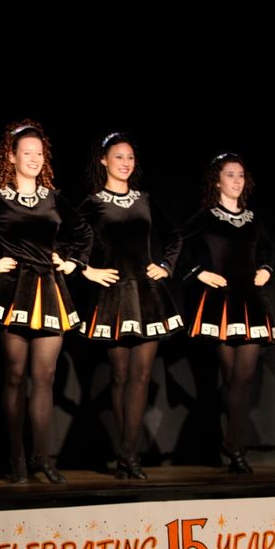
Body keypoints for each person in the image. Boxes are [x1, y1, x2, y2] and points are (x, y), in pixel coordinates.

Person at [0, 120, 92, 483]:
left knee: (45, 376)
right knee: (15, 375)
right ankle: (17, 457)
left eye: (39, 153)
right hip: (11, 290)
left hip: (50, 291)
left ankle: (43, 457)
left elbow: (83, 232)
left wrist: (71, 261)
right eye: (27, 153)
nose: (34, 159)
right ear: (11, 156)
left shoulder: (53, 197)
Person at [77, 132, 183, 479]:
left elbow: (175, 236)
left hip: (147, 295)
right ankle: (125, 454)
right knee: (120, 376)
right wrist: (87, 270)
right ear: (103, 160)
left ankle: (129, 455)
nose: (125, 163)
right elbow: (66, 239)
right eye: (119, 157)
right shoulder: (93, 203)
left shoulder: (145, 200)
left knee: (141, 375)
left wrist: (165, 266)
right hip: (114, 296)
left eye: (130, 158)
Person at [179, 153, 275, 474]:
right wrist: (199, 272)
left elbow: (268, 250)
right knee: (230, 375)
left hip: (250, 302)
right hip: (220, 304)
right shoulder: (206, 217)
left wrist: (266, 269)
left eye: (241, 175)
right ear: (217, 182)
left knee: (243, 378)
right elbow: (179, 245)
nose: (236, 180)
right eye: (230, 175)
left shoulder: (253, 218)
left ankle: (234, 444)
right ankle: (235, 447)